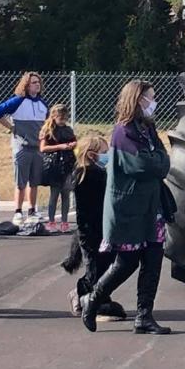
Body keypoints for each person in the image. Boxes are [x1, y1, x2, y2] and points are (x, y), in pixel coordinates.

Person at [80, 80, 171, 335]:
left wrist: (158, 162)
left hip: (153, 206)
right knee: (127, 261)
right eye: (150, 98)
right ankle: (93, 299)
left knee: (153, 259)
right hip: (129, 208)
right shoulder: (123, 132)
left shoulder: (148, 129)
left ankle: (144, 315)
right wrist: (158, 162)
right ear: (138, 99)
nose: (154, 103)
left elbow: (163, 162)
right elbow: (142, 165)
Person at [61, 134, 126, 321]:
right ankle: (81, 294)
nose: (107, 156)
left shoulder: (99, 173)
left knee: (106, 266)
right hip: (91, 232)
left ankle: (97, 297)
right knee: (95, 269)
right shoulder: (87, 174)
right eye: (104, 153)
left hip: (104, 229)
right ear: (91, 155)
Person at [0, 72, 48, 226]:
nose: (37, 85)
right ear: (26, 85)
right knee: (20, 182)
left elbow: (47, 123)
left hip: (37, 148)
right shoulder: (18, 101)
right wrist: (11, 127)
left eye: (38, 82)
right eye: (33, 82)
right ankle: (17, 211)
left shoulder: (43, 104)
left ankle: (32, 210)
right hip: (22, 147)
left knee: (34, 182)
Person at [39, 104, 77, 233]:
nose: (63, 120)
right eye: (60, 117)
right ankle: (51, 221)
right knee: (54, 194)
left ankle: (65, 222)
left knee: (66, 192)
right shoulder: (49, 130)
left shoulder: (68, 129)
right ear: (54, 117)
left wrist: (72, 145)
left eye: (65, 117)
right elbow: (43, 148)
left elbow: (74, 142)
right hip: (54, 164)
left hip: (67, 163)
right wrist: (60, 146)